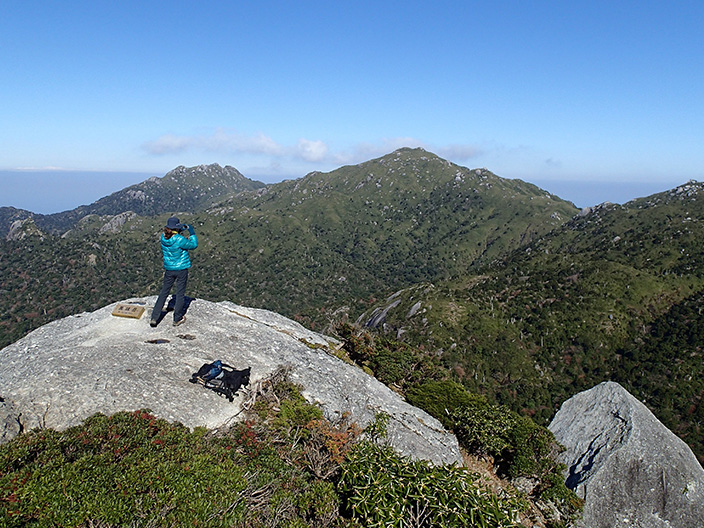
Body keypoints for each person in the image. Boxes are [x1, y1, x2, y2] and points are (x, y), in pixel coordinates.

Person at [150, 216, 198, 327]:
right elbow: (194, 245)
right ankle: (177, 319)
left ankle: (154, 318)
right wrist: (191, 231)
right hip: (181, 269)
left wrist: (179, 228)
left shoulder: (163, 237)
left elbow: (171, 234)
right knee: (180, 294)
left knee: (164, 293)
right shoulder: (179, 239)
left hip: (169, 269)